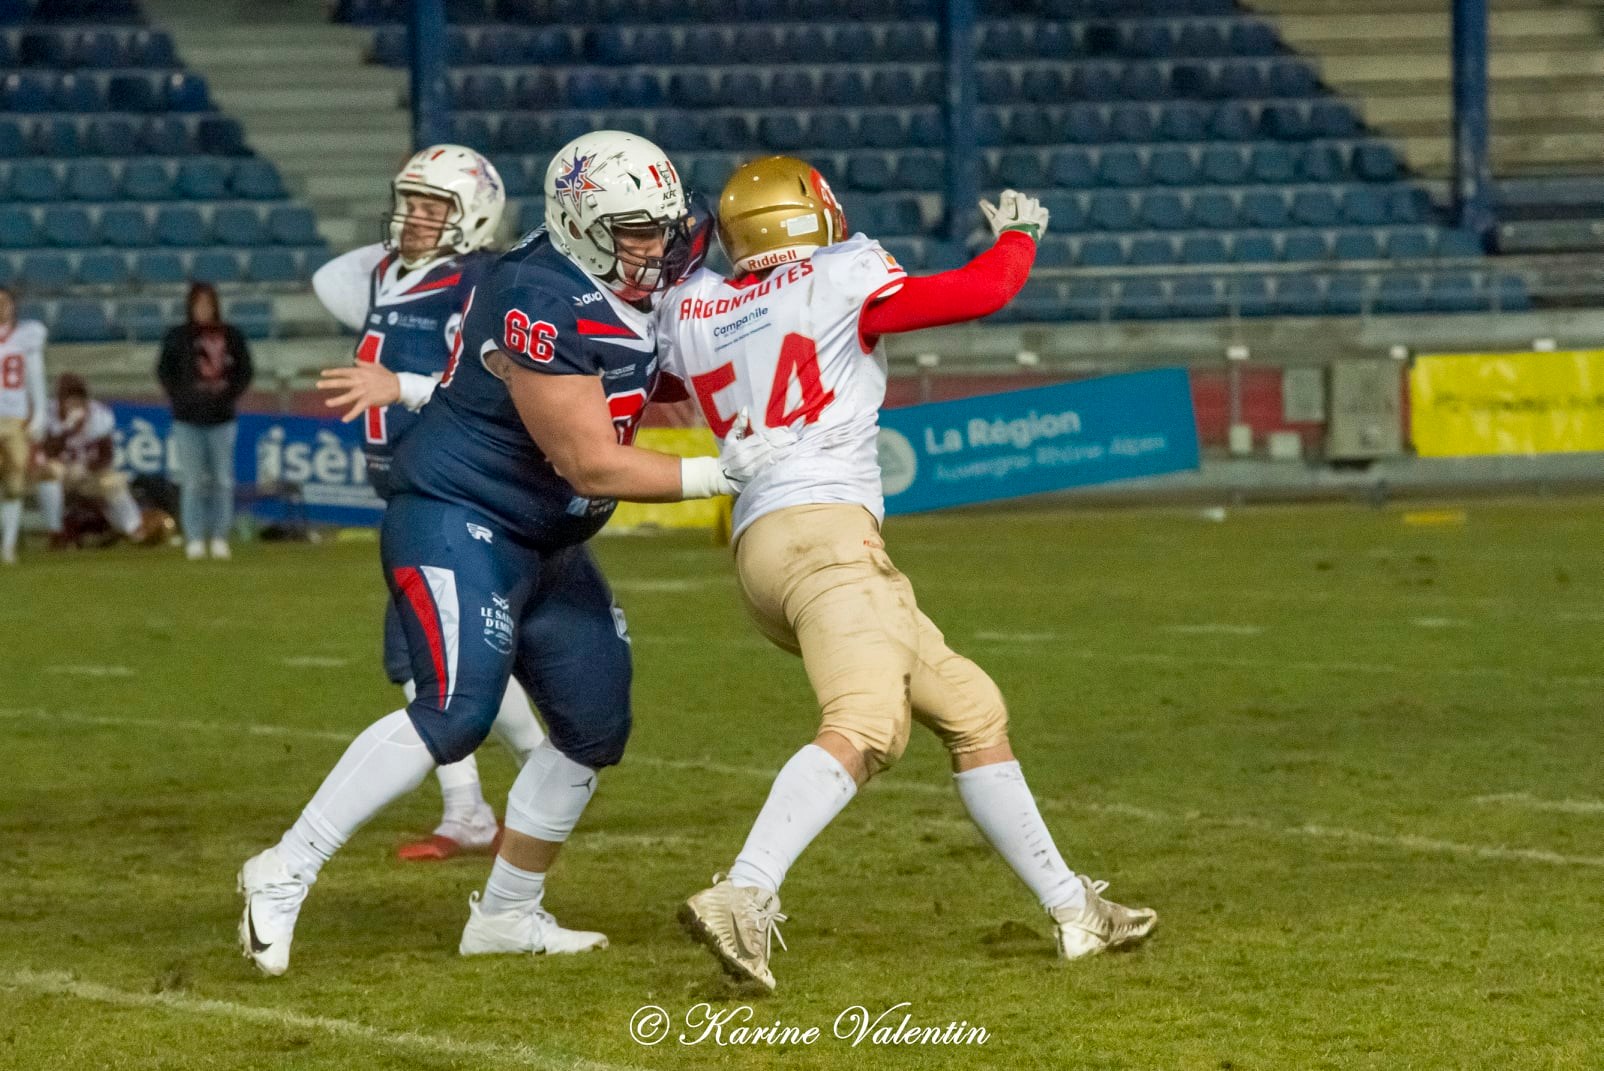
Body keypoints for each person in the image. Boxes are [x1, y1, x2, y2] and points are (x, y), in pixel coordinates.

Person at [237, 131, 789, 977]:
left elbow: (691, 323)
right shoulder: (537, 294)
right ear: (583, 226)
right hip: (461, 513)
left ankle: (506, 914)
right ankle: (284, 867)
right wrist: (719, 471)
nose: (662, 247)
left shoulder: (623, 266)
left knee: (592, 727)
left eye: (664, 227)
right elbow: (590, 459)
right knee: (457, 708)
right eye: (638, 231)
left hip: (551, 538)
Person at [657, 157, 1157, 991]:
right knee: (868, 723)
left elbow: (653, 377)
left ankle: (1076, 909)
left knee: (970, 706)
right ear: (813, 214)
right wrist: (1020, 240)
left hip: (759, 544)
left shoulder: (694, 304)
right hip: (828, 539)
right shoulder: (842, 273)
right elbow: (977, 293)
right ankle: (744, 889)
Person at [311, 144, 546, 862]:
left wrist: (401, 385)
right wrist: (418, 239)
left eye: (430, 206)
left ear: (473, 215)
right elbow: (332, 277)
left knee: (426, 655)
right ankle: (528, 774)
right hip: (416, 488)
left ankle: (480, 801)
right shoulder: (392, 272)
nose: (411, 217)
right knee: (449, 656)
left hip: (457, 487)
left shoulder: (479, 286)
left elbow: (487, 386)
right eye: (408, 202)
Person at [156, 282, 253, 561]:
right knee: (193, 481)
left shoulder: (231, 335)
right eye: (199, 304)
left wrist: (228, 395)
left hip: (222, 419)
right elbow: (164, 371)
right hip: (187, 419)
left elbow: (244, 371)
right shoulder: (177, 337)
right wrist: (181, 398)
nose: (203, 310)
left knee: (222, 480)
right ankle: (195, 537)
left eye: (208, 304)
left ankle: (220, 536)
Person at [34, 374, 147, 546]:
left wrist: (87, 469)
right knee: (50, 473)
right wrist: (67, 428)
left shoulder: (99, 415)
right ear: (61, 400)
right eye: (69, 399)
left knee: (113, 482)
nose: (75, 404)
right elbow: (48, 452)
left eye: (79, 399)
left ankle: (134, 530)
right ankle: (55, 532)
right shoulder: (49, 414)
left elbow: (106, 456)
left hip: (87, 474)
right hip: (61, 473)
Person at [0, 286, 47, 565]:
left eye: (5, 302)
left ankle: (8, 546)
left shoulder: (27, 335)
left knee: (15, 483)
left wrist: (40, 411)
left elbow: (36, 376)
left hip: (15, 418)